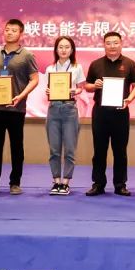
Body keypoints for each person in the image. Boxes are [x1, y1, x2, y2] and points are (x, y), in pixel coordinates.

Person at [0, 19, 39, 195]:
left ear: (21, 34)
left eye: (14, 30)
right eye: (7, 29)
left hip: (16, 108)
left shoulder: (27, 55)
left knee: (16, 147)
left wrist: (21, 96)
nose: (10, 33)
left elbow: (35, 79)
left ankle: (15, 182)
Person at [82, 31, 135, 196]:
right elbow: (87, 86)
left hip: (121, 112)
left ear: (121, 44)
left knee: (120, 151)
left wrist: (129, 99)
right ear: (104, 45)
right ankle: (98, 184)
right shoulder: (96, 64)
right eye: (108, 43)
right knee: (99, 150)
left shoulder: (130, 63)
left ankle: (120, 185)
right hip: (100, 112)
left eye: (115, 42)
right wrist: (94, 86)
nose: (112, 46)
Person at [45, 36, 85, 196]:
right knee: (54, 150)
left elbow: (81, 87)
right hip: (53, 109)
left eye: (67, 47)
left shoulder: (77, 67)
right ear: (56, 49)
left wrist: (76, 91)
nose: (63, 50)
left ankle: (66, 183)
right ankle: (56, 181)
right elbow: (48, 88)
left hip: (70, 109)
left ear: (72, 50)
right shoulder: (50, 68)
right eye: (60, 47)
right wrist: (48, 91)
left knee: (69, 149)